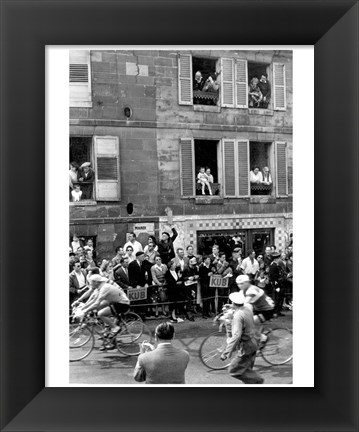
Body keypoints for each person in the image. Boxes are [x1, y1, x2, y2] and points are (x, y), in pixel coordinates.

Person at [73, 274, 130, 350]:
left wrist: (85, 311)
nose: (90, 285)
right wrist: (83, 307)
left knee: (101, 313)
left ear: (96, 282)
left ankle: (115, 328)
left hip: (122, 303)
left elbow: (96, 302)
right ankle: (107, 331)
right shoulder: (99, 286)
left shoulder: (104, 288)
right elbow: (93, 299)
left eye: (91, 283)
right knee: (99, 309)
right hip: (114, 299)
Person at [220, 291, 264, 384]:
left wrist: (226, 352)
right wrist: (231, 307)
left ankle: (257, 380)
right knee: (246, 368)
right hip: (254, 341)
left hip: (246, 345)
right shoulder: (247, 308)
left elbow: (236, 336)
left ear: (233, 303)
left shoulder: (237, 316)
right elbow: (241, 307)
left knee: (234, 370)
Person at [269, 251, 286, 316]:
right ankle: (275, 311)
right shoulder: (273, 265)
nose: (280, 259)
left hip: (279, 283)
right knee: (277, 298)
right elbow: (272, 277)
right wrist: (276, 286)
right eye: (278, 258)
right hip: (277, 284)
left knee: (280, 298)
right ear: (276, 259)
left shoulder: (276, 264)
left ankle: (278, 311)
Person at [182, 256, 199, 321]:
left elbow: (197, 275)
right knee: (188, 298)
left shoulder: (195, 268)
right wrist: (188, 278)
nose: (194, 266)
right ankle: (188, 312)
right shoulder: (186, 269)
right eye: (193, 265)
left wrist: (196, 276)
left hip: (193, 284)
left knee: (192, 298)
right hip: (187, 285)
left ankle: (191, 310)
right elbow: (183, 278)